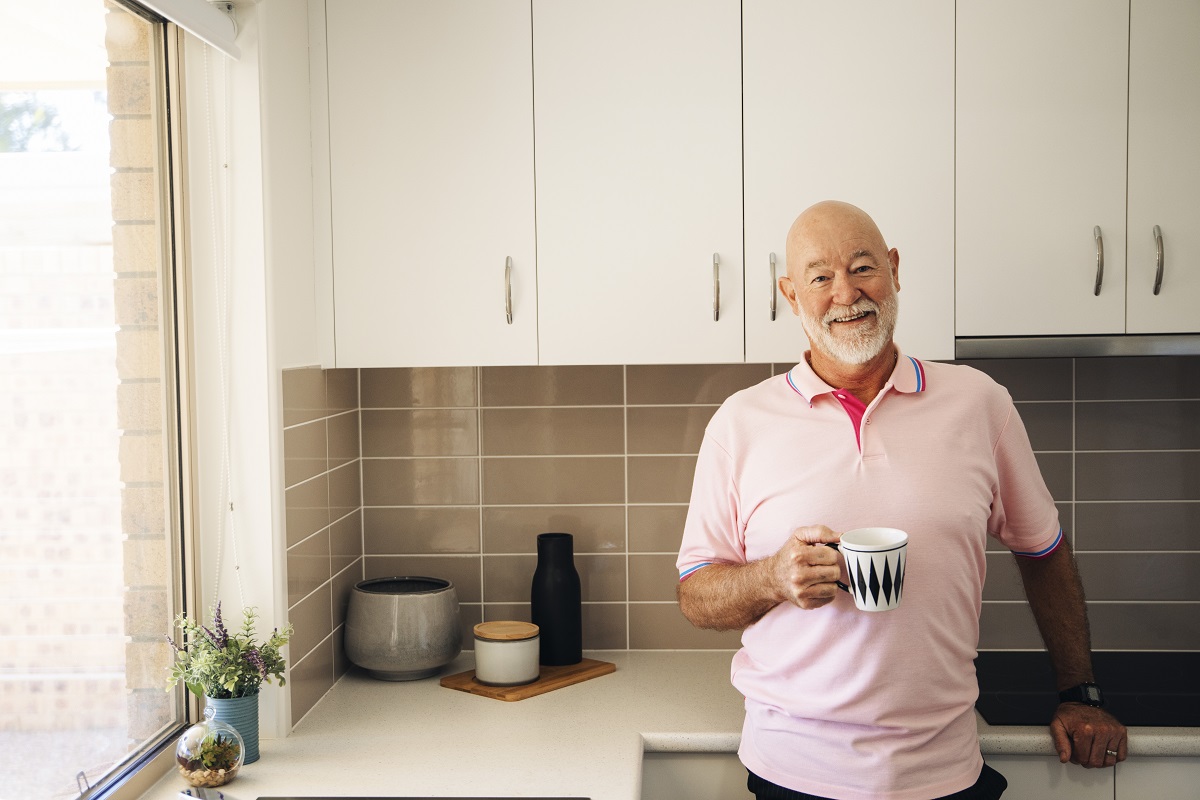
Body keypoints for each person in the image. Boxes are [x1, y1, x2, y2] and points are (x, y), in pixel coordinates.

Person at [676, 201, 1127, 800]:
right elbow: (696, 592)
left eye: (862, 267)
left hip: (943, 771)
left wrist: (1080, 694)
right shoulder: (740, 423)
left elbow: (1043, 551)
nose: (846, 293)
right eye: (819, 277)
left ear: (893, 269)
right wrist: (769, 580)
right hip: (793, 769)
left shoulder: (979, 403)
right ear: (790, 294)